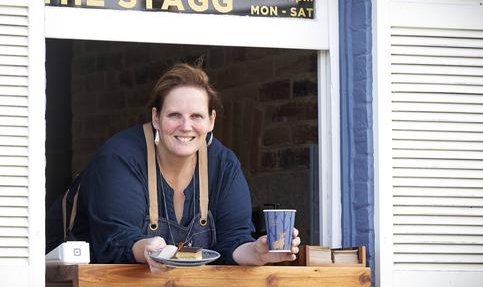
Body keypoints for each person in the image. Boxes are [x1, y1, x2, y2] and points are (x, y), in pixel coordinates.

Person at [48, 62, 300, 273]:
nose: (186, 126)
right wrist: (146, 248)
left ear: (211, 120)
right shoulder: (120, 158)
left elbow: (232, 242)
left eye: (197, 116)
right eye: (175, 115)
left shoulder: (223, 165)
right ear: (156, 118)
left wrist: (258, 251)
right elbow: (115, 242)